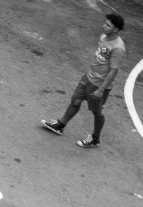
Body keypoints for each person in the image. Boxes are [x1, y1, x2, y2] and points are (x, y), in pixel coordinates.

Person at [42, 12, 124, 149]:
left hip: (99, 85)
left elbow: (114, 71)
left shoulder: (118, 48)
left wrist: (101, 90)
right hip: (89, 77)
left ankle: (95, 139)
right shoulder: (104, 37)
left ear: (116, 29)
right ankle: (60, 125)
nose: (103, 26)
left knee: (97, 112)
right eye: (105, 23)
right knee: (75, 100)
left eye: (108, 25)